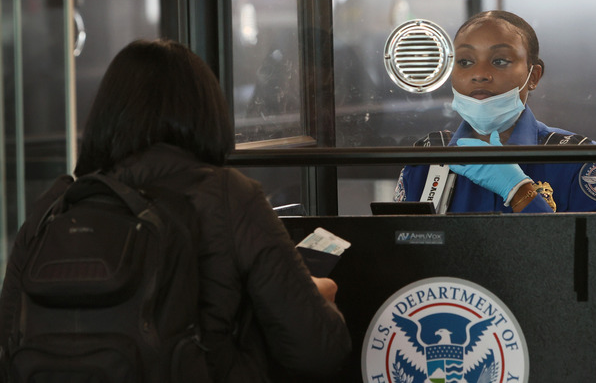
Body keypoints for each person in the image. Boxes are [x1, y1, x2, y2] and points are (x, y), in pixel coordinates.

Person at [0, 39, 351, 381]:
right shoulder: (229, 196)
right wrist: (322, 297)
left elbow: (8, 342)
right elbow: (317, 352)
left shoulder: (57, 206)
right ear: (206, 112)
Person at [394, 10, 596, 213]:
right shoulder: (427, 160)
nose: (480, 74)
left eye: (500, 61)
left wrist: (519, 192)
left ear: (533, 76)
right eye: (465, 62)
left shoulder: (579, 163)